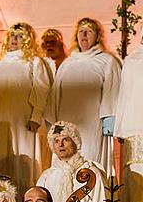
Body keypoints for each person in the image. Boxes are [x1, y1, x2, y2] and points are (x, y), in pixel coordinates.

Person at [0, 22, 52, 196]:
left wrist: (36, 116)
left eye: (21, 36)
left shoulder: (34, 62)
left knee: (24, 160)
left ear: (27, 40)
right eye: (13, 36)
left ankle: (25, 200)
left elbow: (41, 90)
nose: (15, 39)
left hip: (23, 122)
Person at [46, 17, 121, 175]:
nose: (85, 35)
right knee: (65, 165)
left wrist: (109, 121)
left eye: (89, 31)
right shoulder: (67, 64)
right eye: (81, 31)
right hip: (67, 122)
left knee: (89, 161)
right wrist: (53, 124)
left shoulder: (107, 61)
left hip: (92, 125)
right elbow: (55, 96)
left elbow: (112, 91)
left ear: (97, 36)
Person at [114, 29, 143, 202]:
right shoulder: (132, 60)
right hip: (135, 124)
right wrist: (119, 127)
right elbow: (124, 94)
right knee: (137, 171)